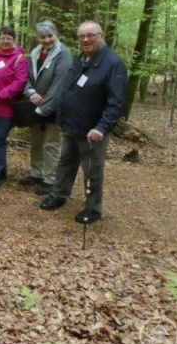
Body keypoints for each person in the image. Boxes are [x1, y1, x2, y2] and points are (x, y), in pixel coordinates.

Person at [40, 22, 127, 224]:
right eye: (82, 36)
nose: (86, 40)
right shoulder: (80, 59)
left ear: (101, 35)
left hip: (93, 129)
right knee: (66, 162)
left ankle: (93, 208)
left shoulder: (113, 64)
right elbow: (68, 91)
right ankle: (59, 195)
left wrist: (102, 128)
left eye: (91, 35)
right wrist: (60, 117)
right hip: (71, 124)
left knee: (92, 169)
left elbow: (116, 103)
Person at [21, 20, 72, 196]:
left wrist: (44, 108)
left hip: (53, 107)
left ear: (56, 34)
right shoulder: (35, 52)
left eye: (50, 35)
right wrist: (31, 92)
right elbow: (26, 77)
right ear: (38, 38)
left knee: (51, 143)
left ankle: (50, 179)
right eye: (43, 37)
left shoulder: (63, 54)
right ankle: (36, 173)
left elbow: (60, 84)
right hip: (34, 105)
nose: (47, 40)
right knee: (36, 142)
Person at [0, 26, 29, 192]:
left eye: (8, 38)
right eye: (2, 37)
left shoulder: (19, 59)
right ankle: (1, 170)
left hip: (5, 108)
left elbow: (19, 83)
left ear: (14, 40)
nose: (5, 41)